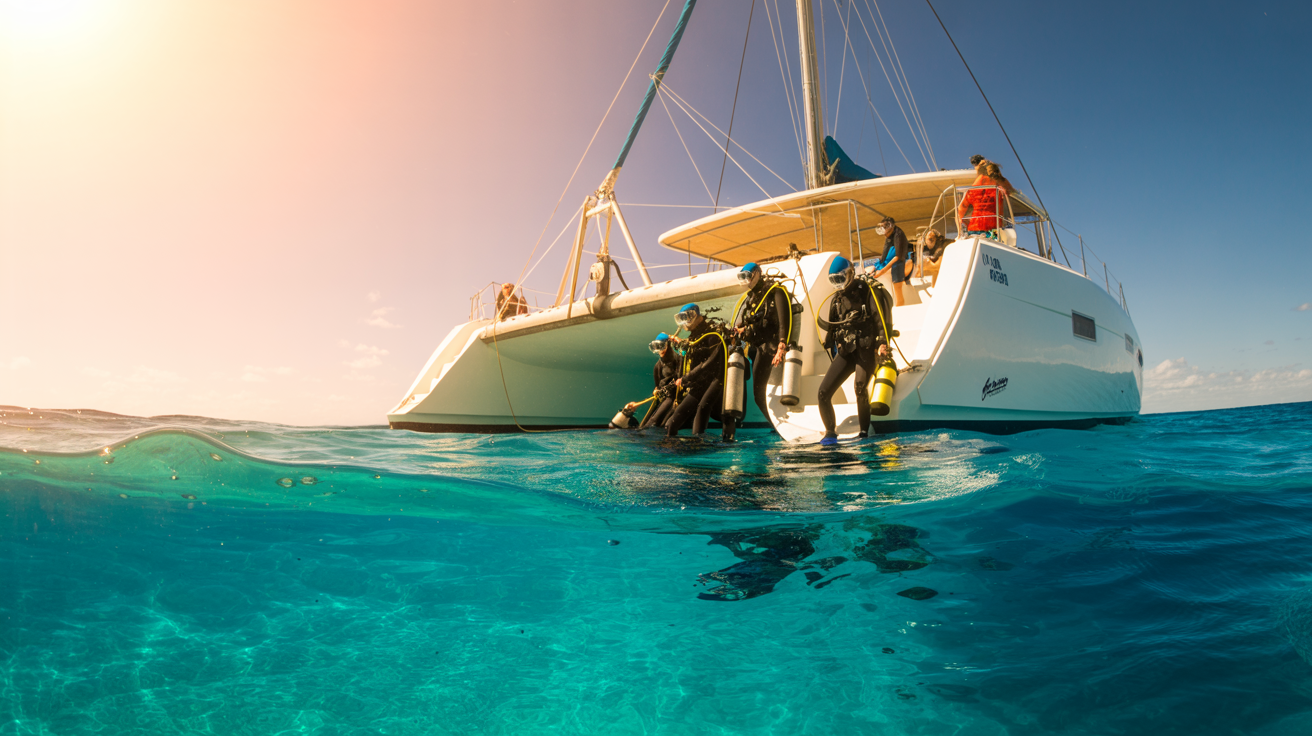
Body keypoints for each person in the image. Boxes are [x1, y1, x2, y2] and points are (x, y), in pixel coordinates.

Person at [816, 256, 893, 446]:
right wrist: (827, 342)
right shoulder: (837, 300)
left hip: (866, 349)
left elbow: (879, 320)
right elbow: (832, 327)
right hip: (847, 351)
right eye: (834, 280)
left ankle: (864, 432)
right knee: (823, 393)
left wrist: (882, 343)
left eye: (840, 279)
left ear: (850, 273)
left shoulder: (867, 291)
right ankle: (830, 433)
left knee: (859, 387)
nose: (838, 284)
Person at [732, 263, 792, 428]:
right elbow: (751, 323)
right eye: (743, 277)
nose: (747, 280)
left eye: (748, 276)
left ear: (758, 273)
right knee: (760, 394)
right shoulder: (752, 297)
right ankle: (777, 425)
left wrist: (781, 345)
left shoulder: (775, 292)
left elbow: (783, 321)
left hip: (769, 347)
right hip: (756, 348)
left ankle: (778, 426)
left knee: (759, 395)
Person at [666, 303, 729, 438]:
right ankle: (671, 448)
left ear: (696, 316)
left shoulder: (712, 334)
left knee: (702, 409)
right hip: (699, 382)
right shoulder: (693, 337)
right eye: (681, 319)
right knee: (674, 420)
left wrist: (686, 378)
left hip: (714, 380)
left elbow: (711, 362)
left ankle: (699, 446)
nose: (685, 323)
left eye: (686, 318)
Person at [635, 332, 682, 429]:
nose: (659, 350)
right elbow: (657, 384)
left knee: (654, 421)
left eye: (661, 346)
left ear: (667, 345)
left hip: (672, 396)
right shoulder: (658, 365)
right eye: (656, 347)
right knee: (650, 421)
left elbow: (680, 376)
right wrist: (656, 390)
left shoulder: (678, 359)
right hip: (662, 396)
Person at [957, 158, 1014, 236]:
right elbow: (1012, 191)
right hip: (993, 230)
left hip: (974, 228)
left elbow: (961, 207)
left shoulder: (975, 186)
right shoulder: (999, 182)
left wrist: (961, 222)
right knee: (995, 245)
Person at [869, 216, 913, 306]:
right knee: (872, 269)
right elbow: (885, 251)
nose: (885, 235)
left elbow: (898, 257)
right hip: (894, 258)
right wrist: (878, 265)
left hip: (900, 261)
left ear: (891, 228)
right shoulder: (889, 234)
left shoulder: (898, 235)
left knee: (897, 289)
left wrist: (883, 270)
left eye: (886, 232)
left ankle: (899, 307)